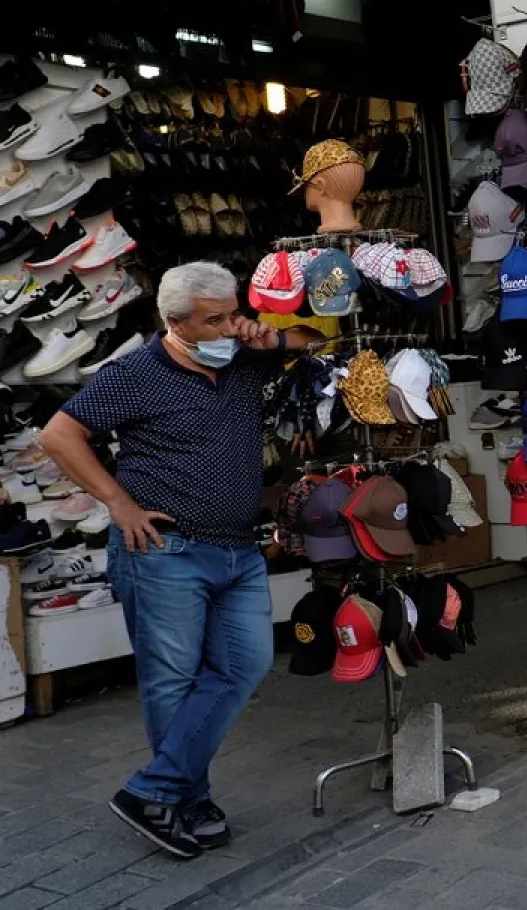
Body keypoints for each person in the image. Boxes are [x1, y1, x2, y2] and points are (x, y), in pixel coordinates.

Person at [40, 261, 321, 859]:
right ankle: (185, 800)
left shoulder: (243, 355)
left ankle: (157, 791)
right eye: (213, 320)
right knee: (172, 681)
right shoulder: (137, 373)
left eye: (231, 313)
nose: (227, 327)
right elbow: (57, 437)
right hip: (165, 551)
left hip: (238, 549)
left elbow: (322, 339)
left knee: (244, 665)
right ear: (175, 323)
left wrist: (268, 333)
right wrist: (118, 503)